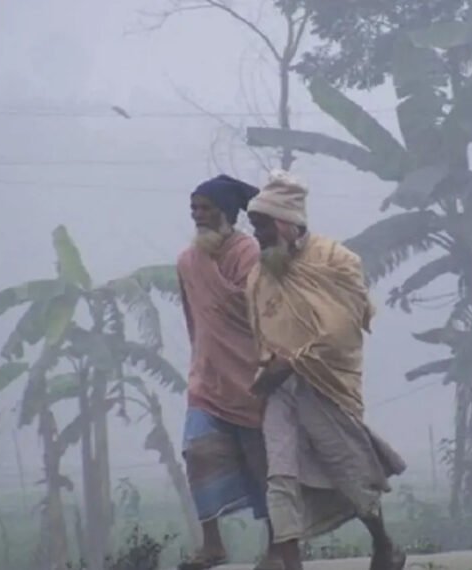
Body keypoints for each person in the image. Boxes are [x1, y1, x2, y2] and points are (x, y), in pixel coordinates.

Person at [244, 170, 408, 570]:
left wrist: (294, 361)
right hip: (280, 390)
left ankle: (384, 545)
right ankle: (289, 563)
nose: (257, 235)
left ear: (286, 221)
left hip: (327, 384)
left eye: (262, 225)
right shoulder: (259, 274)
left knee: (350, 471)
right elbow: (262, 331)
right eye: (254, 227)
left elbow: (342, 328)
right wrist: (269, 371)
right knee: (280, 476)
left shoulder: (337, 260)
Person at [177, 174, 282, 570]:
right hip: (206, 379)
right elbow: (195, 320)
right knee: (197, 453)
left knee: (262, 465)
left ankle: (277, 548)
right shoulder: (187, 261)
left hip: (250, 379)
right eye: (195, 209)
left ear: (225, 212)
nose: (199, 216)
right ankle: (212, 545)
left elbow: (261, 313)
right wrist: (202, 359)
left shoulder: (248, 253)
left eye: (206, 209)